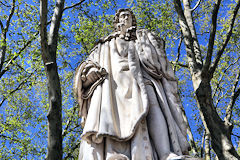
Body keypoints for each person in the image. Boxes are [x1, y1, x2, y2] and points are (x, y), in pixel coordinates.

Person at [74, 8, 190, 160]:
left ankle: (165, 153)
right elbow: (88, 65)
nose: (125, 18)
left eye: (128, 16)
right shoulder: (105, 44)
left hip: (142, 78)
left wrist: (141, 40)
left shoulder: (142, 36)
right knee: (110, 112)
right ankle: (114, 153)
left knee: (154, 107)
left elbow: (157, 61)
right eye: (122, 16)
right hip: (113, 83)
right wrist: (89, 72)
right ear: (116, 23)